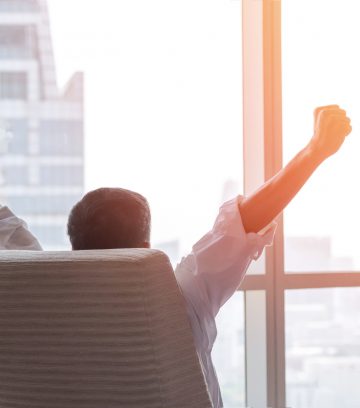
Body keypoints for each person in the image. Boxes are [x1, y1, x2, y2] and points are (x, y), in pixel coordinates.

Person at [0, 105, 352, 407]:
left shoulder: (34, 295)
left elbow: (5, 228)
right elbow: (245, 221)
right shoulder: (180, 299)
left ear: (75, 245)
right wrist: (315, 151)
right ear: (144, 249)